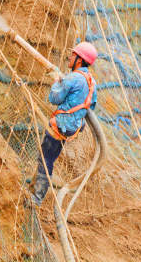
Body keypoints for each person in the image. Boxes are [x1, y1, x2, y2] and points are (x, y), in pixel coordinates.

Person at [31, 41, 98, 206]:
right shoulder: (91, 82)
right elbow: (92, 105)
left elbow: (54, 98)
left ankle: (37, 198)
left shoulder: (74, 78)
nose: (70, 57)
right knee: (50, 158)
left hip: (59, 126)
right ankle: (36, 191)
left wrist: (57, 82)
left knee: (45, 159)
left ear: (80, 60)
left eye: (73, 55)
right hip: (71, 128)